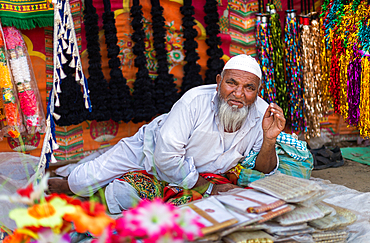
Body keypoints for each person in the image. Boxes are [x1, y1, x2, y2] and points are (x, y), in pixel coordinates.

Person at [48, 54, 286, 214]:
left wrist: (269, 140)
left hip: (203, 173)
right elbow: (166, 157)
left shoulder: (262, 114)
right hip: (149, 150)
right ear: (218, 82)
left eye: (249, 88)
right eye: (231, 83)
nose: (238, 93)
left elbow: (263, 169)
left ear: (257, 91)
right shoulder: (194, 102)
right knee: (82, 182)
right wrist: (210, 189)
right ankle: (67, 183)